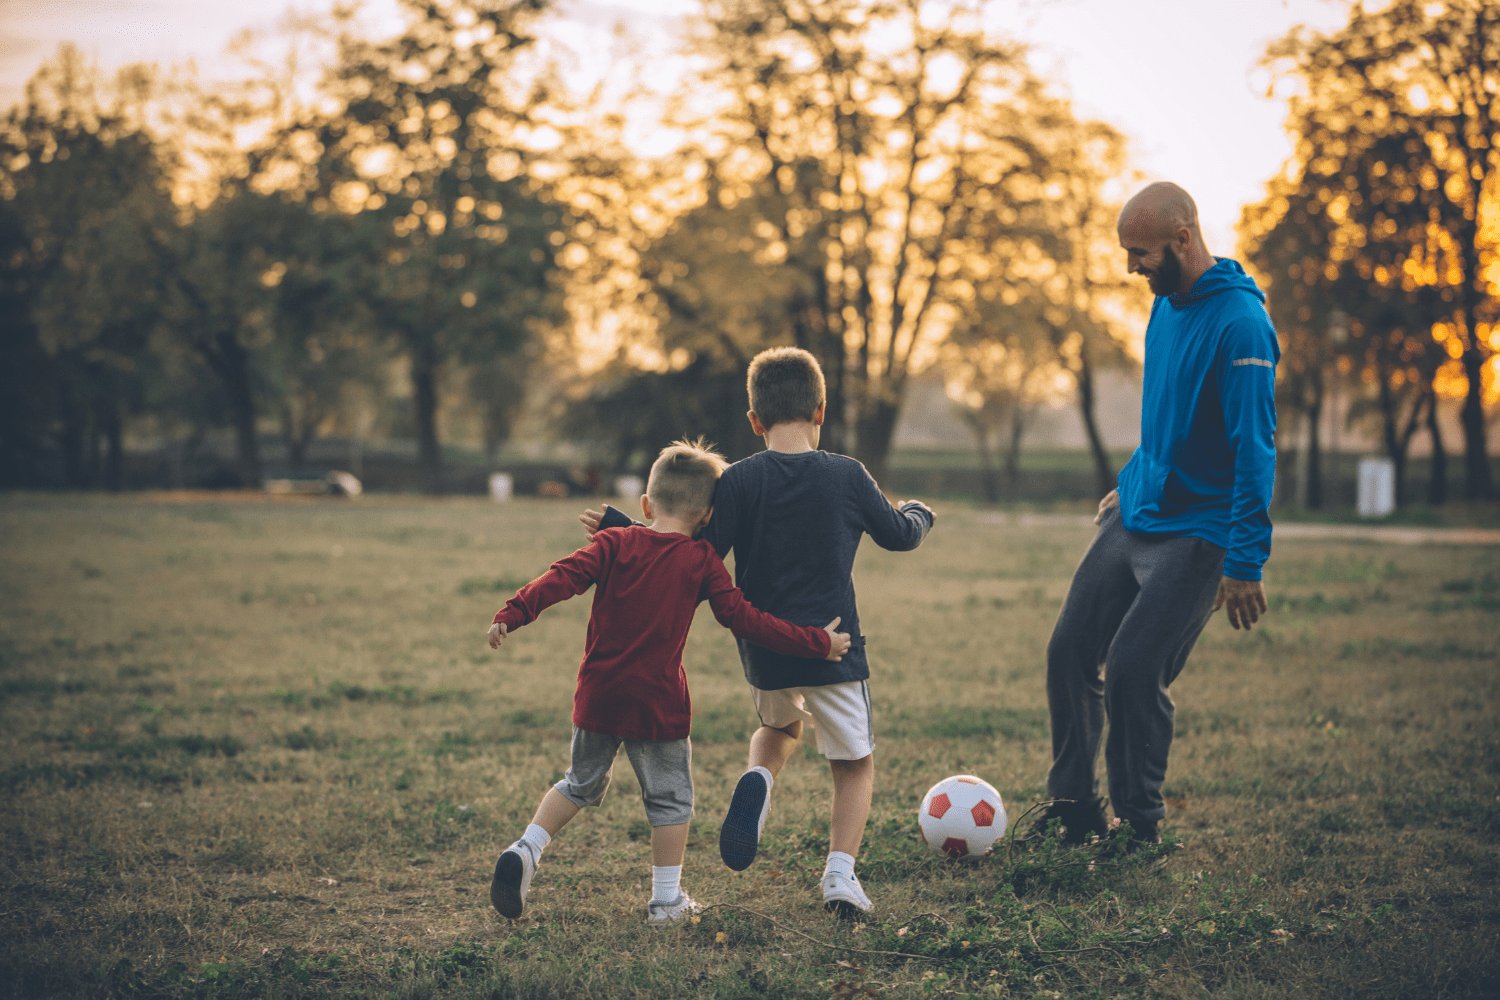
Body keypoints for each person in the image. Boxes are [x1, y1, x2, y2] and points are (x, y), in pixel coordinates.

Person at [586, 348, 934, 917]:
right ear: (820, 410)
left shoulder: (739, 480)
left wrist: (626, 530)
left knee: (778, 726)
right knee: (854, 763)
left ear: (754, 420)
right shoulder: (846, 474)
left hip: (764, 648)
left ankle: (759, 778)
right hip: (834, 647)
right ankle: (840, 877)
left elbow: (690, 555)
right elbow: (898, 534)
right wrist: (919, 513)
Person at [485, 439, 851, 925]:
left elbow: (562, 577)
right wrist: (816, 643)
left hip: (597, 693)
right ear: (707, 517)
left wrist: (512, 613)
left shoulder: (612, 543)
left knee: (578, 784)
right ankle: (666, 901)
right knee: (670, 800)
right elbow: (746, 620)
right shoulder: (701, 560)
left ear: (645, 504)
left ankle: (527, 848)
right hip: (657, 704)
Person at [1026, 181, 1277, 850]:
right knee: (1069, 651)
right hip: (1138, 512)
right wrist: (1134, 477)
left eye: (1139, 253)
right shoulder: (1165, 306)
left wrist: (1245, 562)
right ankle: (1075, 808)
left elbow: (1253, 450)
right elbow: (1171, 412)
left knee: (1136, 670)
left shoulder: (1243, 327)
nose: (1130, 266)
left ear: (1183, 240)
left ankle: (1138, 825)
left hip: (1200, 532)